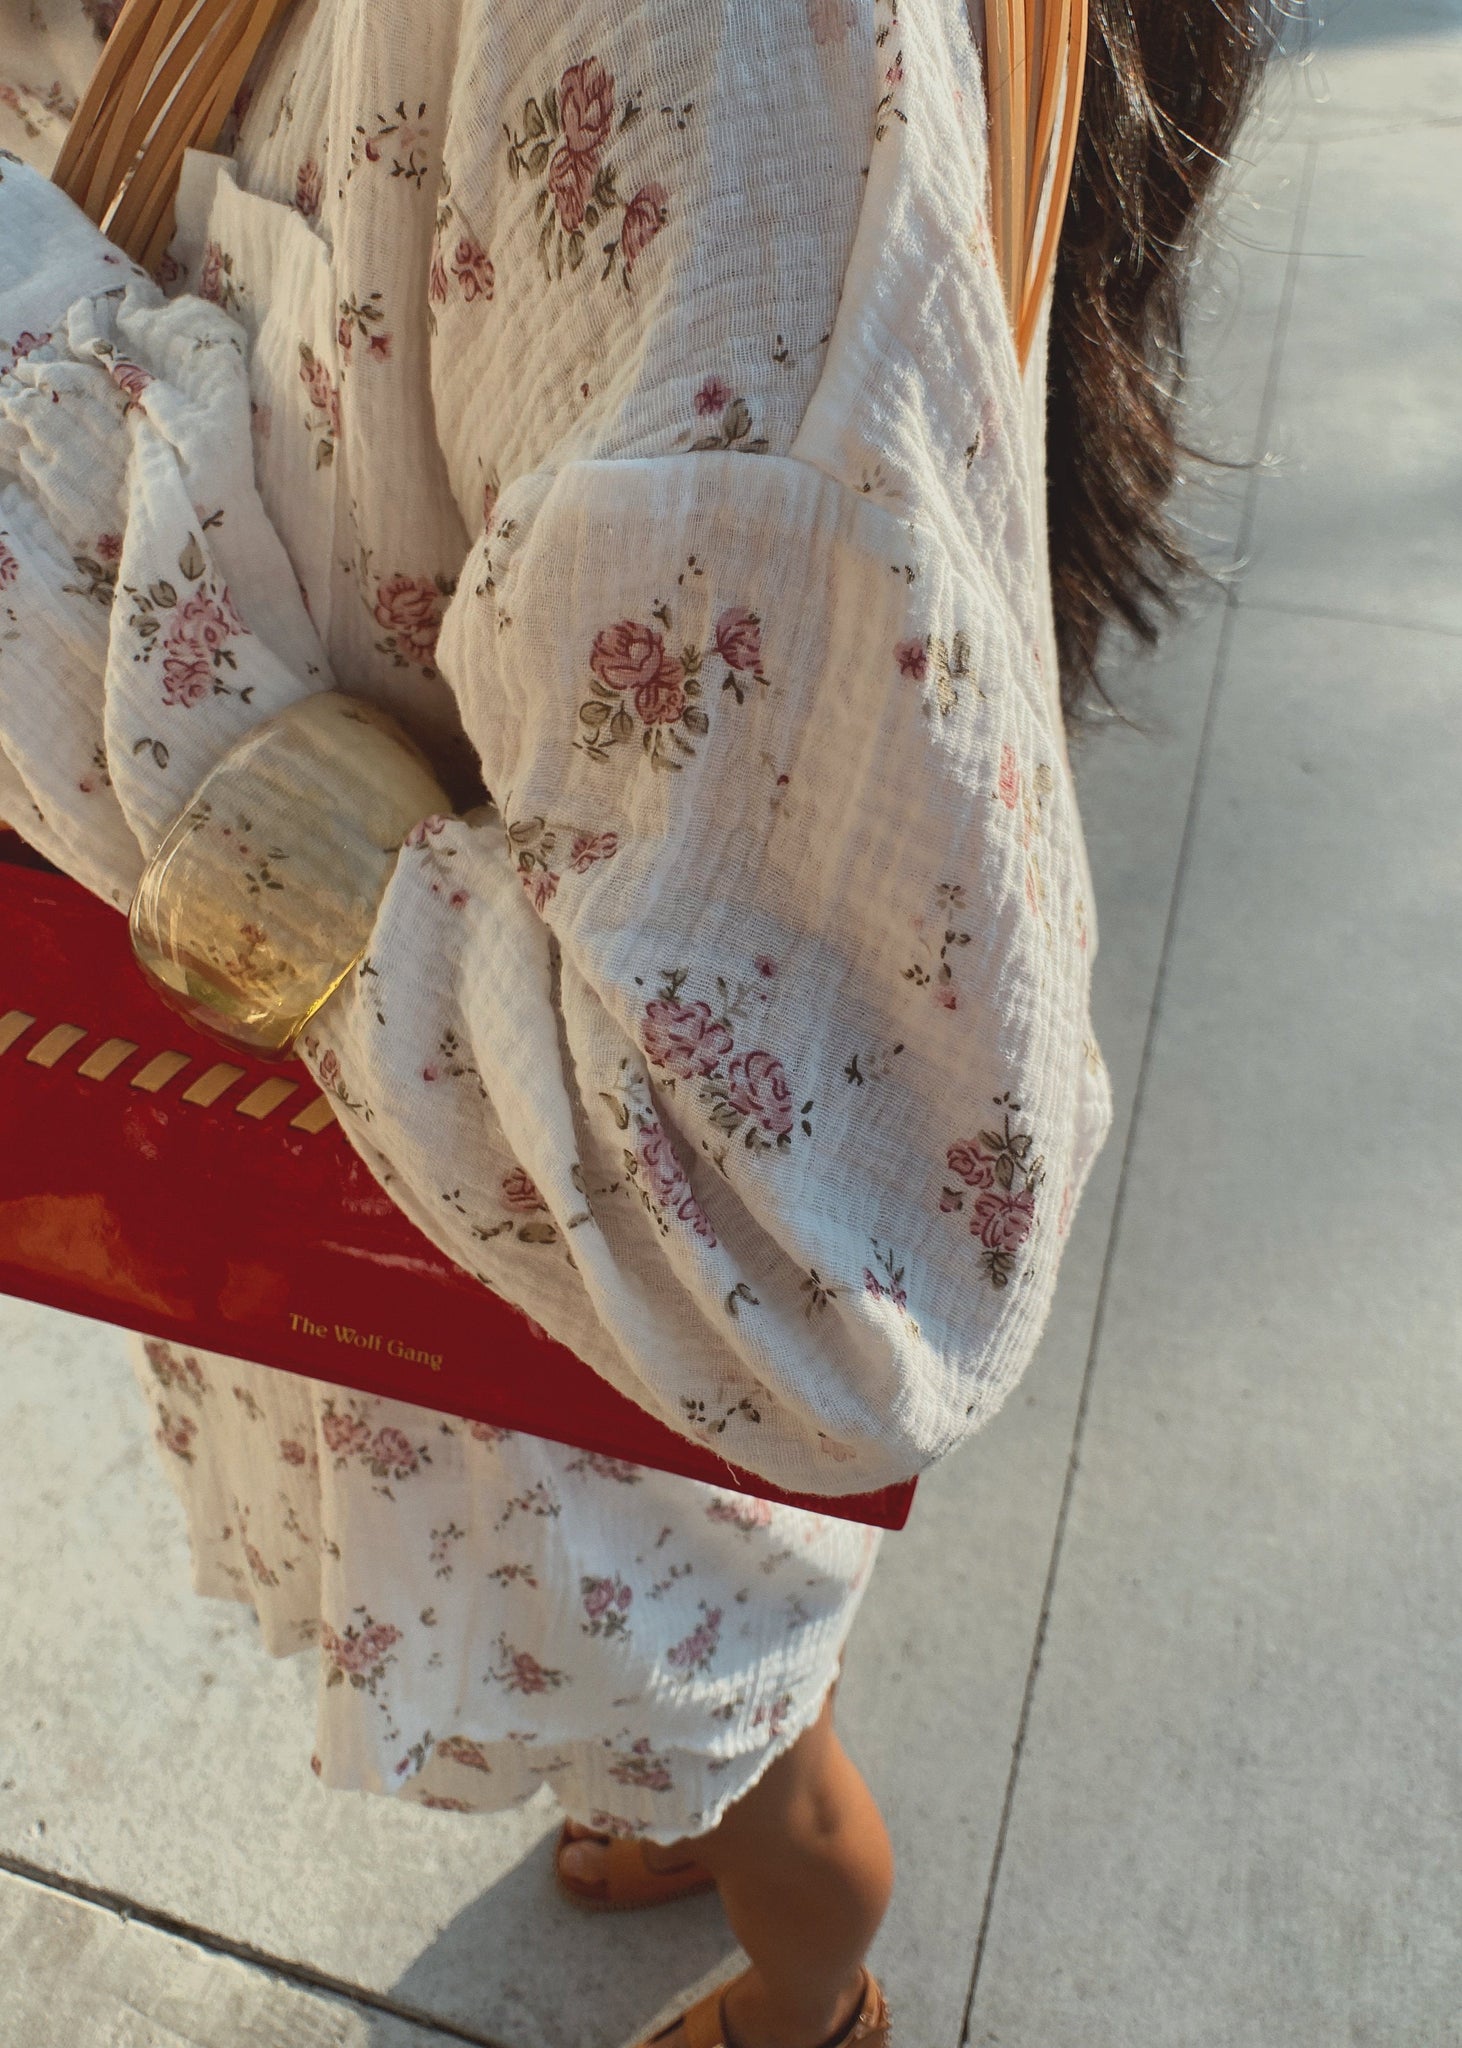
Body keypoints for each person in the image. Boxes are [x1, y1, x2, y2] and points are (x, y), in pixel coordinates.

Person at [0, 0, 1281, 2040]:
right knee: (647, 1658)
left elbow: (819, 1245)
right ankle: (688, 1782)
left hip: (573, 1313)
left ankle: (809, 1996)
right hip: (439, 1220)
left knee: (739, 1728)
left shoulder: (720, 40)